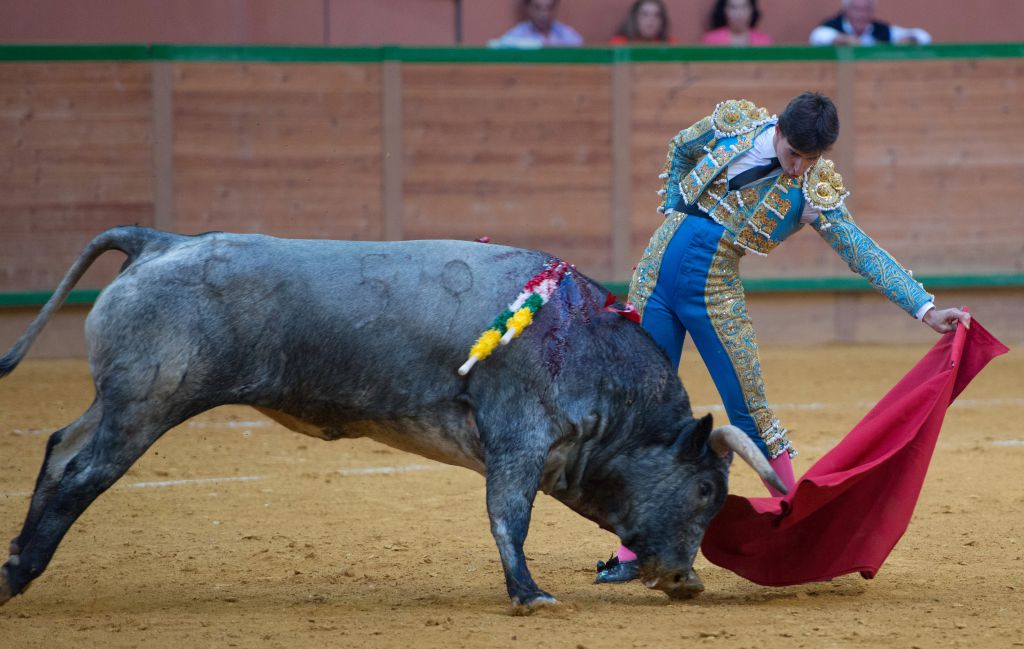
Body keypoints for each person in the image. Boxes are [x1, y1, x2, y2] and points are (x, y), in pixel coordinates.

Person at [594, 92, 970, 584]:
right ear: (779, 131)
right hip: (656, 273)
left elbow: (861, 251)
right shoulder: (734, 125)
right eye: (794, 154)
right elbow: (681, 147)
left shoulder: (816, 190)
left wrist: (925, 309)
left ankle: (795, 525)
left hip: (713, 288)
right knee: (644, 412)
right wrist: (674, 208)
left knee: (750, 408)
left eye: (811, 160)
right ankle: (632, 552)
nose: (799, 168)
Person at [810, 0, 931, 46]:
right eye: (856, 9)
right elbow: (817, 36)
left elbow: (924, 36)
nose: (861, 14)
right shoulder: (833, 25)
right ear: (846, 10)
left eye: (867, 9)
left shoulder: (881, 29)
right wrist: (845, 40)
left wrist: (909, 39)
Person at [492, 0, 583, 48]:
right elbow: (497, 47)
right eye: (537, 8)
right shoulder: (515, 37)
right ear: (528, 8)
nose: (544, 14)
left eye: (549, 8)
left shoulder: (567, 36)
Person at [701, 0, 772, 47]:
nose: (739, 13)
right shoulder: (711, 40)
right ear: (724, 11)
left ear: (752, 10)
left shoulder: (764, 42)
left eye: (744, 7)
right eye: (733, 8)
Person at [610, 0, 675, 45]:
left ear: (662, 21)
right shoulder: (619, 44)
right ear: (634, 18)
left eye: (657, 15)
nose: (651, 19)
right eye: (645, 14)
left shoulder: (670, 45)